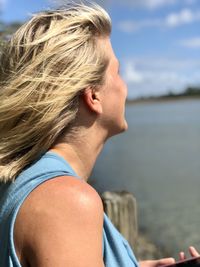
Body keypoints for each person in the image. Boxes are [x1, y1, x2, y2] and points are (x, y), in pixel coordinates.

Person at [0, 2, 199, 267]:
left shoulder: (27, 180)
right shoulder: (67, 203)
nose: (125, 86)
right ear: (93, 96)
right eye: (118, 72)